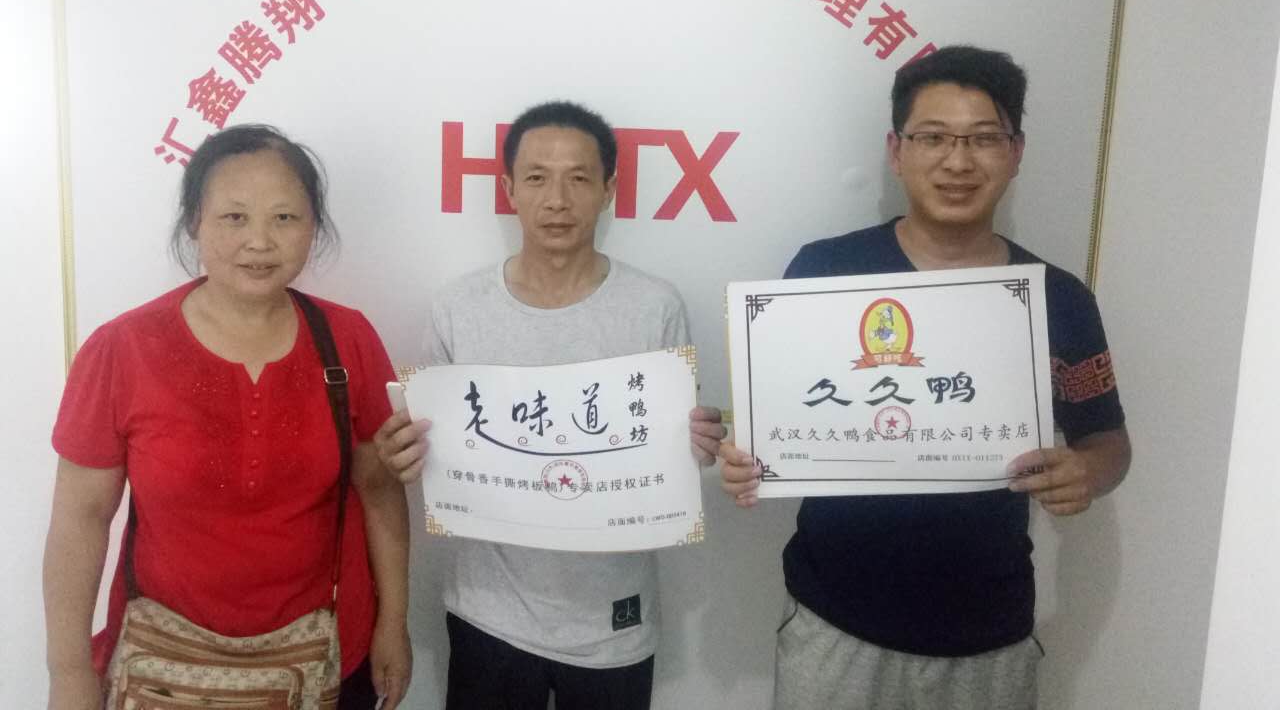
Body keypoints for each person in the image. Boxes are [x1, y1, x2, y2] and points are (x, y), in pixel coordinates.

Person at [720, 46, 1131, 710]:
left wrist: (1087, 471)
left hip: (989, 634)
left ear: (1016, 152)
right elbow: (771, 425)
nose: (957, 162)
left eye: (983, 139)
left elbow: (1108, 440)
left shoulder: (1058, 300)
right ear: (896, 150)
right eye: (933, 137)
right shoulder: (822, 272)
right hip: (833, 623)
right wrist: (747, 458)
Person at [43, 125, 412, 710]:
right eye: (234, 217)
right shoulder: (123, 348)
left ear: (313, 227)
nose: (259, 242)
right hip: (167, 668)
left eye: (285, 218)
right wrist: (68, 674)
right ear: (195, 221)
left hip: (324, 659)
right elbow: (79, 521)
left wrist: (394, 622)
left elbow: (380, 491)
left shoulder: (348, 339)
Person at [375, 100, 726, 710]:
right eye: (537, 178)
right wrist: (403, 453)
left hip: (614, 619)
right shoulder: (459, 308)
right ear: (509, 188)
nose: (557, 200)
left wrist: (693, 445)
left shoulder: (655, 307)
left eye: (579, 178)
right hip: (488, 611)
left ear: (609, 189)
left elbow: (674, 456)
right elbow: (433, 450)